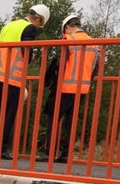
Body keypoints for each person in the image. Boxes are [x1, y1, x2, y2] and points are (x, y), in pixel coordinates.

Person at [0, 4, 49, 159]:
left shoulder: (9, 25)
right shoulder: (29, 28)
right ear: (38, 19)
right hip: (13, 77)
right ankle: (1, 149)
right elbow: (26, 51)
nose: (38, 27)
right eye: (40, 23)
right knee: (8, 114)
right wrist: (31, 58)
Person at [40, 15, 98, 163]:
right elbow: (95, 68)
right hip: (83, 88)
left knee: (53, 118)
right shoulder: (94, 43)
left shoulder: (69, 39)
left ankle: (49, 153)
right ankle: (66, 154)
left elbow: (60, 64)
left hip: (65, 87)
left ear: (67, 27)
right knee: (71, 122)